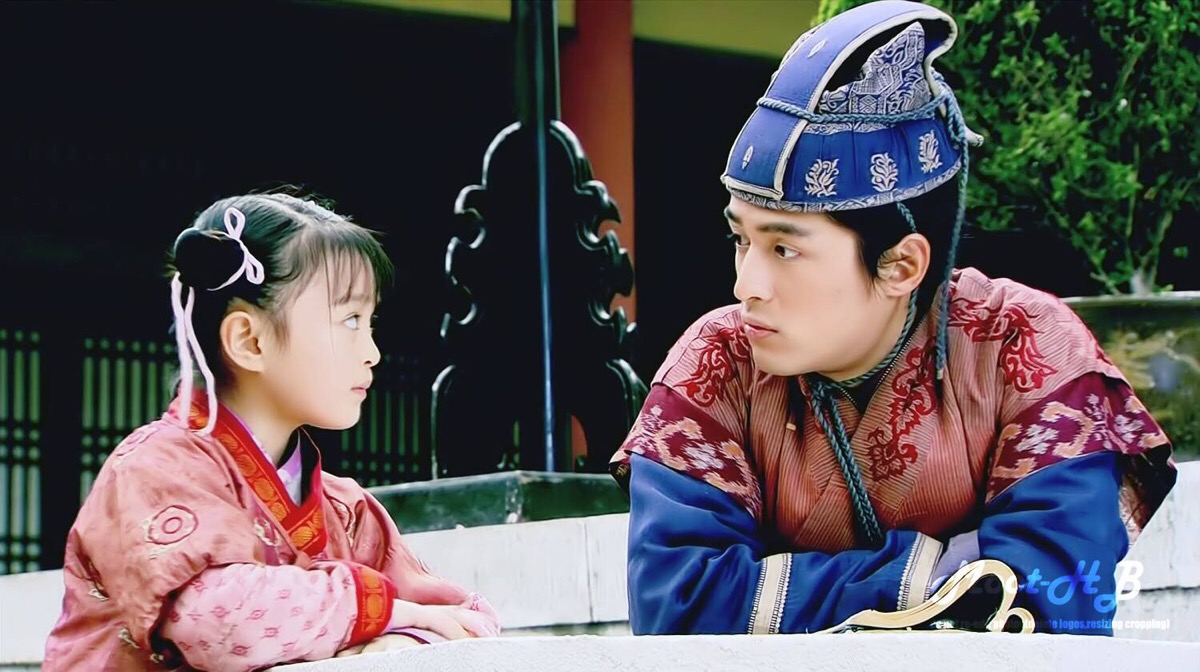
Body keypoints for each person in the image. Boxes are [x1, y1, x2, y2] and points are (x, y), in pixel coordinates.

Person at [610, 0, 1176, 637]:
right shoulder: (717, 365)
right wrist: (943, 577)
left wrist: (773, 588)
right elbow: (676, 605)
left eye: (784, 249)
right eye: (741, 239)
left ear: (902, 265)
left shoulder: (1026, 348)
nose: (747, 286)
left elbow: (1055, 601)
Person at [44, 192, 500, 671]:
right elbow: (216, 621)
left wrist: (399, 639)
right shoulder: (152, 469)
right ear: (250, 340)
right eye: (349, 320)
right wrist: (384, 613)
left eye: (370, 322)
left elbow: (467, 619)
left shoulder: (346, 510)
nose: (372, 352)